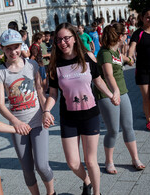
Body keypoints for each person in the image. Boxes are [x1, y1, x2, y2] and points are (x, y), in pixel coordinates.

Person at [43, 22, 117, 195]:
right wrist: (46, 111)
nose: (63, 43)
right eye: (59, 40)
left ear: (74, 39)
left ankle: (97, 193)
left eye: (66, 38)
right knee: (73, 163)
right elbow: (53, 94)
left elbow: (98, 80)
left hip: (90, 114)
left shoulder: (88, 57)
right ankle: (87, 180)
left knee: (91, 161)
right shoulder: (55, 65)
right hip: (68, 117)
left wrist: (111, 94)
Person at [0, 29, 55, 195]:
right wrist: (16, 122)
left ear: (21, 46)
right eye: (8, 48)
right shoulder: (0, 72)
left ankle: (51, 192)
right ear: (3, 50)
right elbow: (0, 104)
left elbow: (40, 91)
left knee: (42, 165)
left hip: (37, 121)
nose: (13, 52)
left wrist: (46, 111)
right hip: (18, 126)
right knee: (27, 169)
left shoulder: (31, 65)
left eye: (16, 47)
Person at [94, 23, 145, 175]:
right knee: (113, 130)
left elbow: (122, 58)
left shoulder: (114, 51)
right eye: (125, 34)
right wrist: (115, 92)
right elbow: (108, 75)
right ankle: (109, 161)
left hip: (122, 92)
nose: (126, 36)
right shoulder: (105, 53)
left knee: (128, 126)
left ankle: (135, 159)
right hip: (107, 94)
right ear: (121, 36)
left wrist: (129, 59)